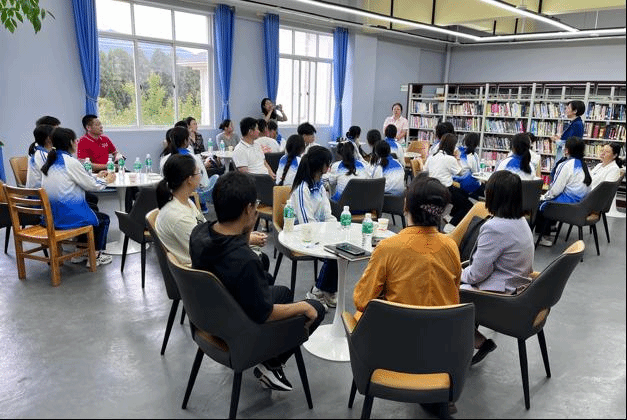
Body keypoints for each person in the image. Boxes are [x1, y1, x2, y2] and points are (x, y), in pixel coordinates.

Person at [190, 171, 325, 391]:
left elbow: (235, 249)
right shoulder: (245, 261)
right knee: (316, 308)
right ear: (248, 209)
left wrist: (246, 230)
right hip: (238, 332)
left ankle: (270, 361)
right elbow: (265, 314)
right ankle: (271, 365)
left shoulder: (199, 233)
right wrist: (303, 306)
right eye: (256, 205)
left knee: (282, 292)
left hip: (207, 318)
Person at [354, 174, 459, 315]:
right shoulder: (451, 246)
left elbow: (362, 300)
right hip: (444, 327)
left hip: (397, 327)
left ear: (405, 206)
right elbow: (454, 293)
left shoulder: (388, 248)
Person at [460, 170, 535, 365]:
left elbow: (476, 275)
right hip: (518, 288)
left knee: (442, 291)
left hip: (500, 297)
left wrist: (455, 273)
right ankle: (474, 338)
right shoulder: (521, 221)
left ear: (492, 196)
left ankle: (473, 341)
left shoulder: (495, 227)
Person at [40, 127, 116, 267]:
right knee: (103, 219)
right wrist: (106, 180)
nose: (77, 142)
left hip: (50, 216)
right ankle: (95, 257)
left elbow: (79, 180)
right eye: (75, 140)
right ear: (70, 142)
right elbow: (92, 186)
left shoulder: (50, 161)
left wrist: (97, 178)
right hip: (65, 217)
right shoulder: (70, 162)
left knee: (91, 208)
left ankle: (81, 252)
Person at [290, 146, 338, 309]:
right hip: (302, 235)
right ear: (321, 165)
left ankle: (326, 289)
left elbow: (327, 214)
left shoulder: (319, 186)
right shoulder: (302, 188)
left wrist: (337, 229)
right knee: (334, 252)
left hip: (318, 231)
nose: (329, 166)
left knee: (342, 248)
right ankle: (318, 291)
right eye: (328, 163)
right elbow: (306, 223)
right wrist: (327, 235)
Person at [536, 136, 591, 246]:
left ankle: (541, 236)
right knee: (549, 199)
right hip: (582, 205)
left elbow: (555, 190)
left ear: (567, 150)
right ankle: (550, 226)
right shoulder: (584, 165)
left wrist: (543, 197)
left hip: (568, 206)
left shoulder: (565, 165)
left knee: (540, 204)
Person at [155, 154, 207, 266]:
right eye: (199, 172)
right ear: (189, 179)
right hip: (199, 270)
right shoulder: (179, 216)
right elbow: (204, 251)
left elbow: (204, 228)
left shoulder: (185, 201)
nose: (200, 176)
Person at [159, 126, 218, 212]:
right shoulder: (193, 158)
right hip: (190, 196)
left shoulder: (164, 159)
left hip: (170, 196)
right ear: (185, 141)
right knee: (215, 178)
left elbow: (163, 178)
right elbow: (204, 182)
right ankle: (203, 204)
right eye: (189, 137)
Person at [425, 133, 473, 227]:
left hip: (431, 189)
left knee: (463, 194)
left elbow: (425, 171)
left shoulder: (432, 157)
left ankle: (450, 216)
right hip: (445, 190)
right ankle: (451, 226)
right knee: (468, 206)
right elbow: (461, 172)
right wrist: (457, 158)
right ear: (452, 146)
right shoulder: (450, 159)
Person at [550, 100, 585, 173]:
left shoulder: (577, 124)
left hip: (569, 156)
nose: (566, 109)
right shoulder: (574, 123)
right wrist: (560, 138)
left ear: (575, 111)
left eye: (568, 108)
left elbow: (572, 142)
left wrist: (557, 140)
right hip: (567, 155)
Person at [453, 132, 483, 198]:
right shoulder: (473, 155)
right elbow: (476, 173)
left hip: (454, 181)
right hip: (467, 184)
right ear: (476, 144)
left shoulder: (457, 150)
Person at [26, 124, 54, 189]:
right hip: (39, 193)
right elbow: (53, 176)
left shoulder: (35, 149)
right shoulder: (43, 155)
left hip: (36, 191)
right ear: (48, 138)